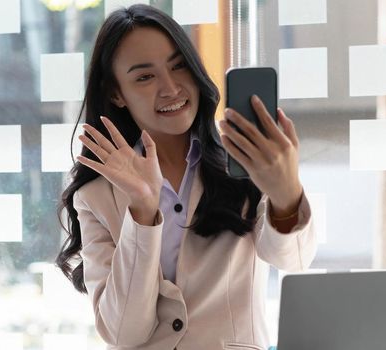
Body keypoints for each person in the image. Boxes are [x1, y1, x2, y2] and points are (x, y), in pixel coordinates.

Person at [56, 4, 317, 350]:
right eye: (145, 77)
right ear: (116, 93)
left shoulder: (245, 164)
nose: (170, 88)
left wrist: (287, 194)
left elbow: (293, 259)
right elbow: (123, 333)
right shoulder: (95, 197)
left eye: (178, 66)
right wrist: (143, 213)